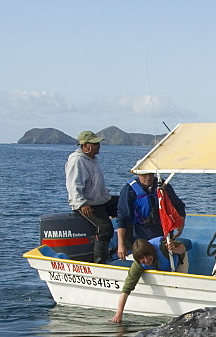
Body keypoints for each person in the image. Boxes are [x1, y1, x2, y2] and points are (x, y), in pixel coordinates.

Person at [65, 130, 119, 264]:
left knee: (126, 205)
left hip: (100, 201)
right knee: (105, 228)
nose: (98, 146)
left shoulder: (92, 160)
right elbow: (73, 185)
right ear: (85, 145)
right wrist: (81, 204)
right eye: (94, 144)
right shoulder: (77, 161)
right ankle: (100, 263)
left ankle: (128, 246)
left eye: (98, 143)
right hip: (87, 204)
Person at [110, 237, 191, 323]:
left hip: (178, 261)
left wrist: (176, 250)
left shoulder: (163, 247)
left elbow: (182, 246)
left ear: (153, 252)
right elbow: (126, 289)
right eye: (142, 259)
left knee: (179, 282)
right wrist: (119, 314)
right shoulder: (138, 265)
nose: (146, 260)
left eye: (148, 256)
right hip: (161, 266)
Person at [116, 172, 186, 260]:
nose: (148, 177)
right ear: (138, 174)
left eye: (151, 174)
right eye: (144, 175)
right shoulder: (129, 190)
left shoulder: (163, 186)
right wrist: (121, 245)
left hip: (164, 234)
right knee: (146, 259)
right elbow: (122, 218)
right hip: (141, 236)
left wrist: (181, 223)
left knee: (170, 256)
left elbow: (179, 206)